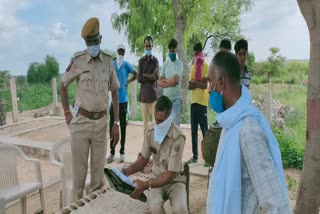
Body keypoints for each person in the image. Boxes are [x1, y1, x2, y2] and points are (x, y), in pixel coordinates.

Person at [206, 51, 291, 213]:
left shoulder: (247, 129)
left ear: (221, 81)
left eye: (210, 81)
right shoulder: (231, 120)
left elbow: (278, 205)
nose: (209, 89)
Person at [60, 17, 120, 201]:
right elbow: (63, 86)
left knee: (97, 181)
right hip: (81, 124)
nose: (91, 45)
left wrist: (116, 122)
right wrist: (68, 114)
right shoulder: (77, 60)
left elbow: (115, 91)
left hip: (102, 124)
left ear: (100, 39)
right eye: (88, 42)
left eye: (94, 41)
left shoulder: (109, 61)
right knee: (78, 180)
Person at [122, 95, 188, 214]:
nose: (157, 124)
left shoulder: (178, 137)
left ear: (169, 118)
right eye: (156, 119)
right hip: (156, 178)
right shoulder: (150, 131)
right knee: (155, 209)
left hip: (175, 181)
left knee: (181, 210)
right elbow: (143, 159)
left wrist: (146, 184)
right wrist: (125, 172)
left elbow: (170, 175)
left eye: (161, 121)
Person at [107, 44, 137, 163]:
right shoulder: (112, 65)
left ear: (124, 53)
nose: (120, 54)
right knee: (111, 127)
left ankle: (122, 152)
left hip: (123, 101)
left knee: (123, 127)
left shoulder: (126, 65)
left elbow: (136, 73)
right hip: (113, 102)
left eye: (122, 52)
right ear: (116, 52)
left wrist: (128, 82)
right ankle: (112, 152)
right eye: (119, 51)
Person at [188, 42, 209, 164]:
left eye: (197, 53)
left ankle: (207, 158)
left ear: (200, 52)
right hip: (194, 102)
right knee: (193, 131)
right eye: (195, 54)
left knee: (205, 131)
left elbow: (204, 85)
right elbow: (190, 86)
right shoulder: (193, 67)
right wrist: (197, 83)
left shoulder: (206, 66)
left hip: (203, 102)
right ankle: (195, 157)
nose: (196, 56)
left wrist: (196, 83)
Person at [158, 38, 183, 126]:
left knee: (175, 126)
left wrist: (165, 81)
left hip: (176, 100)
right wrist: (170, 81)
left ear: (176, 50)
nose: (172, 53)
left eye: (173, 51)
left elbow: (175, 80)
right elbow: (159, 82)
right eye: (170, 51)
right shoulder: (166, 63)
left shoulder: (179, 64)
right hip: (166, 100)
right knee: (165, 125)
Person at [137, 36, 159, 134]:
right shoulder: (141, 61)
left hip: (153, 97)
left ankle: (154, 147)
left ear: (152, 46)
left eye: (150, 46)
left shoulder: (156, 61)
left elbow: (156, 77)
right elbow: (138, 78)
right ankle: (146, 148)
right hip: (143, 98)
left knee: (155, 125)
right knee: (145, 125)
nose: (148, 48)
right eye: (147, 46)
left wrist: (144, 75)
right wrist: (150, 76)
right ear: (144, 46)